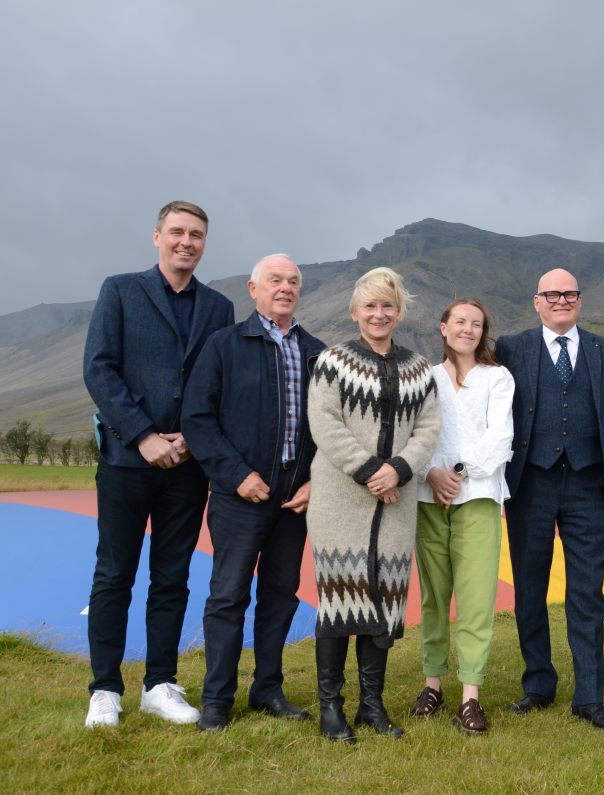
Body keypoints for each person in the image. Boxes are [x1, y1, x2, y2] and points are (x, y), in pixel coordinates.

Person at [82, 201, 235, 728]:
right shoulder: (120, 290)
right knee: (113, 575)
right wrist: (144, 435)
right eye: (177, 232)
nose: (186, 242)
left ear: (204, 243)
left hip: (188, 468)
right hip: (127, 460)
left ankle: (160, 684)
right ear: (157, 237)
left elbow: (219, 383)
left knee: (172, 577)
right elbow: (99, 369)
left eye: (196, 235)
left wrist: (192, 439)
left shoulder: (218, 307)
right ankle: (104, 688)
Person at [182, 254, 325, 732]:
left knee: (281, 594)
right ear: (253, 288)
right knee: (227, 596)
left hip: (293, 499)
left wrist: (313, 480)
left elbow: (330, 428)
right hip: (239, 495)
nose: (284, 288)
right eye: (274, 281)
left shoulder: (316, 352)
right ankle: (217, 700)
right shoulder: (224, 345)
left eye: (292, 282)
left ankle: (268, 689)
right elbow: (198, 419)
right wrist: (236, 474)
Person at [305, 266, 441, 744]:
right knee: (340, 601)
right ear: (354, 312)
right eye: (370, 306)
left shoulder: (419, 368)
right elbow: (324, 424)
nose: (379, 314)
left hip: (398, 502)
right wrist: (369, 471)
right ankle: (330, 708)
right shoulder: (332, 362)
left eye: (387, 305)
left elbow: (428, 428)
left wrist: (399, 469)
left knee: (384, 603)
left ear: (398, 311)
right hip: (341, 499)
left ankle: (372, 706)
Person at [495, 268, 604, 731]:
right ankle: (538, 685)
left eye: (570, 293)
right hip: (530, 484)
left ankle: (589, 697)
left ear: (580, 299)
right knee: (529, 588)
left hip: (589, 486)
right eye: (553, 294)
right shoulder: (511, 348)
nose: (562, 300)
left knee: (587, 592)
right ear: (537, 301)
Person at [411, 299, 515, 735]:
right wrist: (430, 473)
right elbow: (413, 433)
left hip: (478, 498)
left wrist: (455, 474)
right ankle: (432, 684)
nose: (468, 329)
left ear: (483, 331)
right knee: (434, 597)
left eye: (476, 324)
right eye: (460, 321)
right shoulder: (424, 378)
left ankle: (469, 697)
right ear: (443, 327)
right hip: (426, 499)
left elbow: (501, 436)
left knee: (475, 600)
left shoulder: (497, 378)